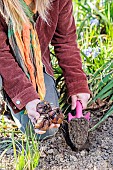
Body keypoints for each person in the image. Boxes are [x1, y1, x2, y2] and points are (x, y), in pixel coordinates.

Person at [0, 0, 90, 140]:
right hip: (4, 64)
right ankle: (7, 96)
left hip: (34, 63)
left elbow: (65, 40)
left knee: (44, 130)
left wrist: (77, 84)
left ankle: (12, 99)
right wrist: (26, 97)